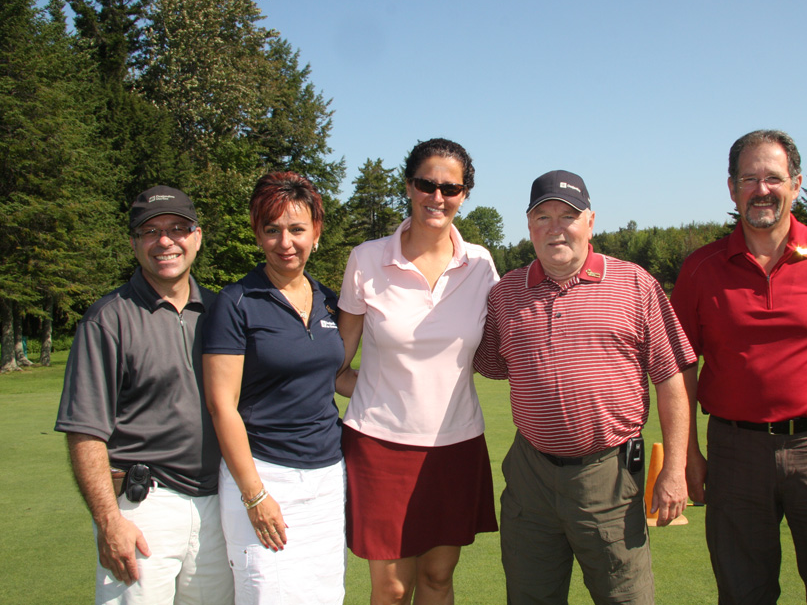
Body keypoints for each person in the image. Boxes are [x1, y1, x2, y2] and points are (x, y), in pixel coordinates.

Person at [671, 129, 807, 605]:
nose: (761, 189)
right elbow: (680, 370)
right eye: (748, 178)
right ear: (731, 189)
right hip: (735, 452)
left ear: (795, 183)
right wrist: (687, 455)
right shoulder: (701, 268)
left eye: (773, 177)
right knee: (743, 593)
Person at [473, 170, 697, 605]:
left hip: (610, 475)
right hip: (530, 475)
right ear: (529, 226)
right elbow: (492, 365)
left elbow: (671, 376)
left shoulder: (635, 284)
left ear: (590, 222)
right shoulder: (505, 295)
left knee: (624, 598)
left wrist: (674, 468)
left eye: (568, 216)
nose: (556, 228)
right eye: (543, 217)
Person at [337, 138, 499, 604]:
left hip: (456, 446)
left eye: (451, 187)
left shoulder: (482, 264)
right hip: (379, 447)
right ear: (408, 186)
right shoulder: (366, 259)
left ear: (465, 194)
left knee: (438, 578)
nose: (438, 197)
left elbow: (497, 351)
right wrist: (371, 393)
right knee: (390, 589)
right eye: (427, 184)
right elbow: (338, 363)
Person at [56, 186, 234, 605]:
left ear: (197, 236)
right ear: (134, 243)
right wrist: (108, 521)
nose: (166, 241)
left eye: (178, 228)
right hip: (144, 506)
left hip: (217, 506)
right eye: (150, 231)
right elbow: (85, 432)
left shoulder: (222, 311)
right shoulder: (108, 318)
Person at [203, 172, 348, 604]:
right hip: (265, 475)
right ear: (258, 234)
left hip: (326, 478)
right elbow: (221, 406)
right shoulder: (237, 303)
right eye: (273, 230)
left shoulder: (329, 301)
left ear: (316, 233)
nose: (286, 241)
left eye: (297, 229)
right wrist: (255, 494)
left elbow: (336, 376)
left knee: (324, 595)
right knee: (267, 594)